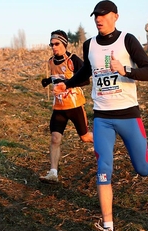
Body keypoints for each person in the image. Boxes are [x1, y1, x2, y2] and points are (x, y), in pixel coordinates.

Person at [55, 0, 148, 231]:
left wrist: (126, 70)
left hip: (129, 115)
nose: (99, 18)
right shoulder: (90, 45)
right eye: (96, 15)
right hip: (103, 118)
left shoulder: (127, 40)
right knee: (103, 169)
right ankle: (108, 230)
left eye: (104, 15)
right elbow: (87, 71)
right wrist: (69, 84)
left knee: (142, 169)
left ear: (115, 17)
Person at [39, 30, 93, 183]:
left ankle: (104, 145)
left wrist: (68, 85)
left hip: (74, 106)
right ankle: (53, 173)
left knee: (85, 137)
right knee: (55, 139)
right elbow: (58, 76)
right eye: (52, 44)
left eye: (57, 44)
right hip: (59, 108)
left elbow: (85, 80)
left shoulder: (73, 59)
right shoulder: (51, 61)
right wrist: (48, 81)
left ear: (64, 44)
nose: (54, 47)